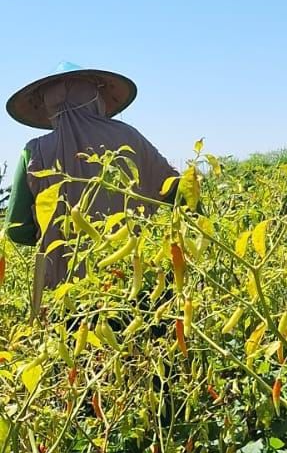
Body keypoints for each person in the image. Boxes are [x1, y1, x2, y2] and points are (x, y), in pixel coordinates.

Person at [4, 62, 179, 293]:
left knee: (72, 326)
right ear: (95, 98)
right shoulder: (129, 137)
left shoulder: (34, 152)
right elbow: (177, 193)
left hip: (65, 289)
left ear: (49, 107)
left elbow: (15, 228)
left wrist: (52, 236)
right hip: (136, 279)